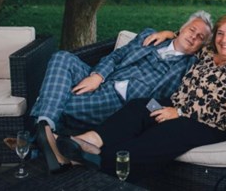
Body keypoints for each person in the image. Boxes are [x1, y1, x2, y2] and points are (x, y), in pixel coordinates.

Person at [55, 14, 226, 183]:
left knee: (165, 132)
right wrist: (169, 34)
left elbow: (221, 106)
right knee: (139, 107)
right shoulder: (208, 54)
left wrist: (178, 113)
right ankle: (88, 140)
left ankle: (99, 160)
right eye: (220, 34)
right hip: (175, 106)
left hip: (208, 124)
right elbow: (187, 39)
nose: (224, 39)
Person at [31, 10, 213, 173]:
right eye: (191, 30)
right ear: (181, 28)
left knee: (59, 98)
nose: (193, 37)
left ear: (201, 46)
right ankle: (47, 130)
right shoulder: (150, 36)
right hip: (104, 79)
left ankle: (41, 130)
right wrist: (98, 75)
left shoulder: (191, 65)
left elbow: (219, 52)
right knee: (62, 57)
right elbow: (116, 56)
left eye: (200, 37)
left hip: (122, 102)